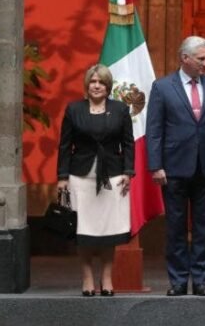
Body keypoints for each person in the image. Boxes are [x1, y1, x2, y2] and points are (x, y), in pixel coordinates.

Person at [146, 36, 205, 297]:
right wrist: (155, 165)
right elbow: (154, 130)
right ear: (185, 58)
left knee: (204, 227)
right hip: (173, 168)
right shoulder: (162, 87)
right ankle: (178, 281)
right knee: (176, 227)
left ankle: (202, 280)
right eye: (201, 58)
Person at [57, 64, 134, 297]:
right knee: (84, 230)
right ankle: (87, 277)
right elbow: (64, 145)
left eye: (101, 82)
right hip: (80, 177)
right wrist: (62, 177)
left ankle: (107, 278)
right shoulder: (74, 109)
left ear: (108, 86)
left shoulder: (120, 109)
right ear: (87, 85)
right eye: (93, 81)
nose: (97, 86)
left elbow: (128, 143)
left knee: (110, 229)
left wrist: (128, 171)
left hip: (113, 176)